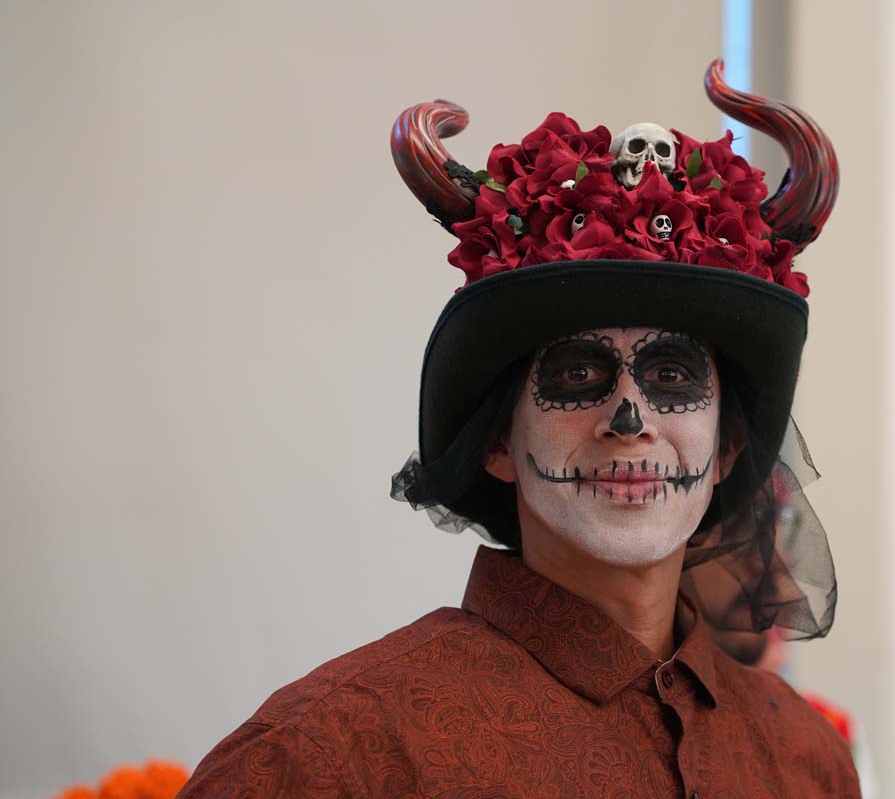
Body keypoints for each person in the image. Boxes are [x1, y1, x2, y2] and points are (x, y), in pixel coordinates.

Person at [178, 59, 858, 798]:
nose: (630, 421)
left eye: (670, 377)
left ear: (726, 446)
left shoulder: (804, 757)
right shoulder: (324, 759)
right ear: (499, 442)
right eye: (576, 376)